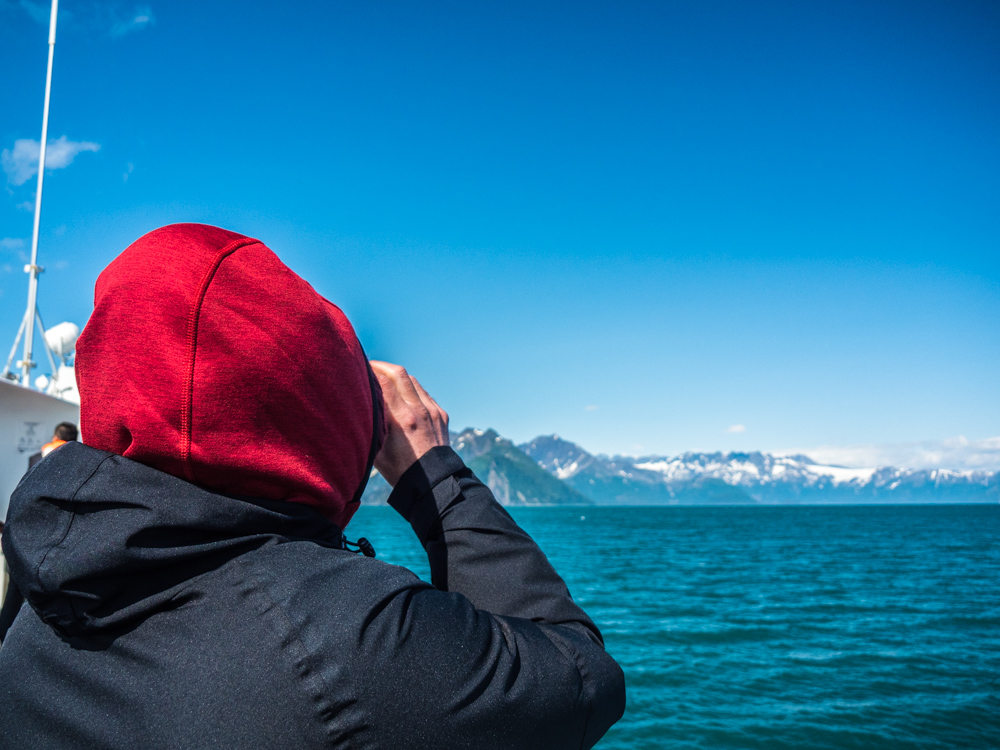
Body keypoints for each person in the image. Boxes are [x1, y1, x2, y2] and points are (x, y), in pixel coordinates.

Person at [0, 224, 625, 749]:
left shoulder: (40, 593)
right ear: (325, 415)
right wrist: (435, 470)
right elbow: (581, 672)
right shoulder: (360, 645)